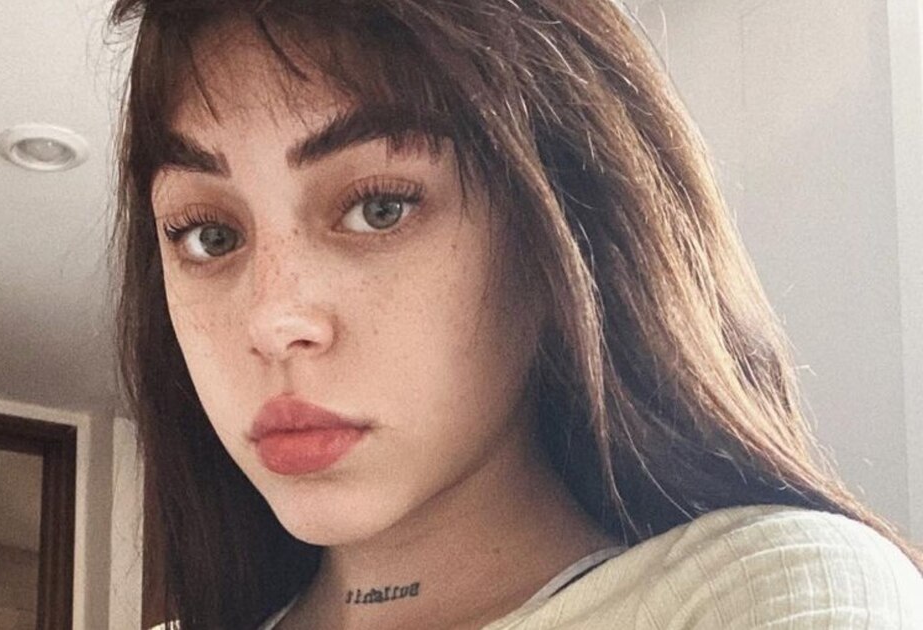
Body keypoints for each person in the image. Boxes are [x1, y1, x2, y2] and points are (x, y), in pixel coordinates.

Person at [108, 1, 923, 628]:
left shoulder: (776, 595)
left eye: (380, 208)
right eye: (209, 235)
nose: (273, 319)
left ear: (563, 226)